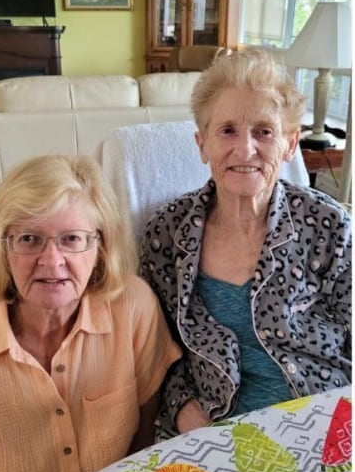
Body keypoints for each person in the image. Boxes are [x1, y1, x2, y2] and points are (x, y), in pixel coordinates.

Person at [141, 49, 352, 439]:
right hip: (212, 431)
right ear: (202, 144)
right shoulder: (167, 233)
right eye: (227, 131)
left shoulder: (328, 226)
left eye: (263, 131)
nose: (246, 149)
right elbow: (154, 354)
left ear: (290, 144)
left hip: (320, 420)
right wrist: (185, 410)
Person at [0, 154, 181, 472]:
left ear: (100, 248)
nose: (52, 261)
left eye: (72, 239)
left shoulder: (134, 307)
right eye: (29, 239)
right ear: (3, 249)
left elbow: (145, 431)